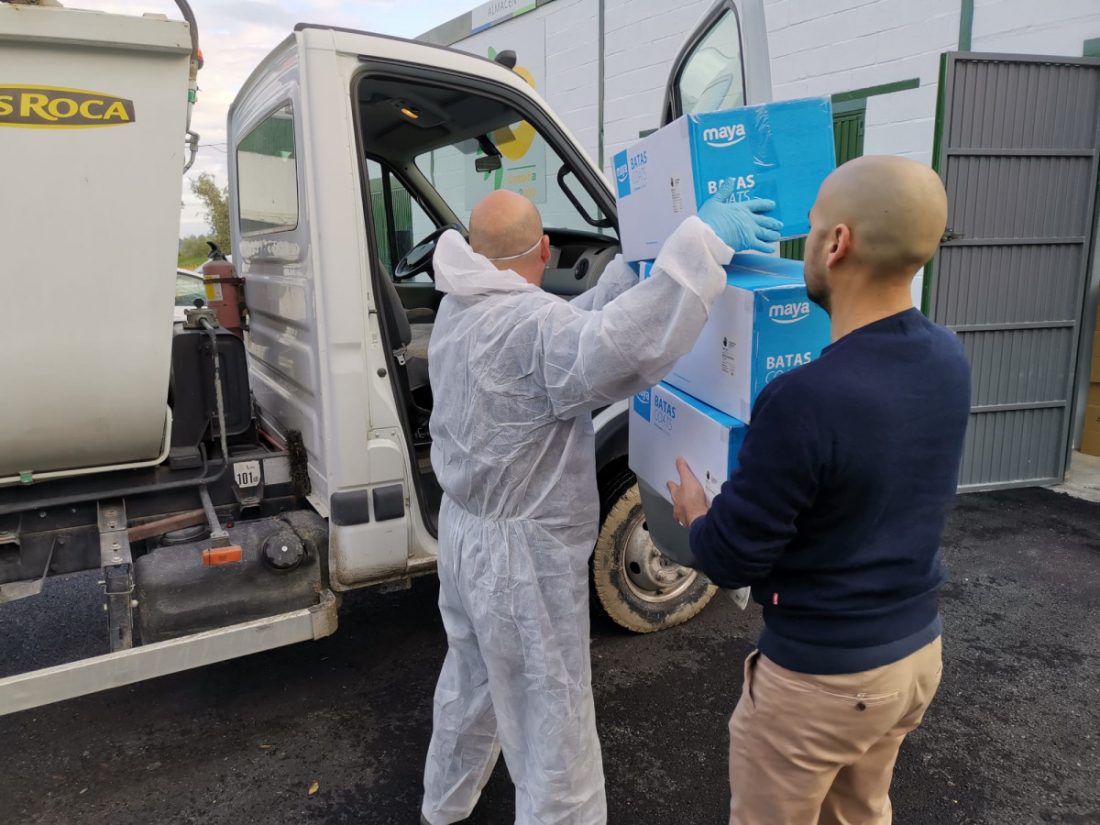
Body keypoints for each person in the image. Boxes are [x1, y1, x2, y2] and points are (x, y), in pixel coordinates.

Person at [421, 184, 782, 825]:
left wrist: (627, 273)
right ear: (547, 251)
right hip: (522, 561)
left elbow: (571, 333)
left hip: (467, 536)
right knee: (551, 718)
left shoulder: (461, 307)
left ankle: (443, 807)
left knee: (470, 683)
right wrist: (698, 247)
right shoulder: (531, 328)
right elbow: (618, 349)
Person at [668, 155, 971, 825]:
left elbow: (729, 557)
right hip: (915, 656)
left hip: (822, 680)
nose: (802, 245)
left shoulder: (803, 400)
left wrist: (696, 517)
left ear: (838, 244)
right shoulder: (949, 358)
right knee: (861, 812)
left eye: (809, 229)